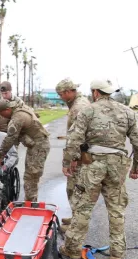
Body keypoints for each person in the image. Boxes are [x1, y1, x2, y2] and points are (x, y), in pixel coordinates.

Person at [59, 79, 138, 259]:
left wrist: (68, 162)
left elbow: (74, 139)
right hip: (117, 165)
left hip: (92, 164)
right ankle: (117, 252)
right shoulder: (127, 112)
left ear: (95, 92)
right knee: (116, 208)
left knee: (83, 206)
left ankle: (73, 248)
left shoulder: (88, 110)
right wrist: (137, 167)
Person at [0, 98, 50, 202]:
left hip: (38, 147)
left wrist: (0, 155)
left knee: (31, 176)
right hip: (37, 145)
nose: (2, 117)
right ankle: (30, 202)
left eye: (2, 114)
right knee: (31, 175)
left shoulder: (17, 117)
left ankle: (31, 205)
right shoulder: (20, 108)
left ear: (7, 109)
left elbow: (10, 138)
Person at [55, 78, 90, 231]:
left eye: (61, 94)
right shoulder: (79, 103)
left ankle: (76, 226)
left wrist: (71, 160)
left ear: (68, 92)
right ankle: (76, 217)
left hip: (80, 155)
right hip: (83, 152)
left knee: (74, 189)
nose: (60, 97)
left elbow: (77, 137)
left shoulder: (78, 108)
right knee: (76, 189)